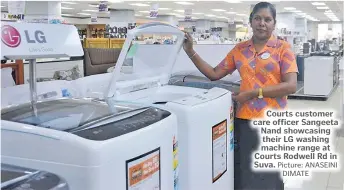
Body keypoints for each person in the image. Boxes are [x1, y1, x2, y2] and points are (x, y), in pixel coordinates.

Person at [183, 2, 298, 190]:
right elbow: (214, 73)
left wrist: (254, 93)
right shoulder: (240, 50)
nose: (262, 23)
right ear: (250, 22)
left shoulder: (282, 48)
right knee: (247, 173)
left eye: (267, 19)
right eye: (258, 18)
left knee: (270, 174)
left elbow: (291, 85)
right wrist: (190, 52)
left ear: (274, 24)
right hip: (245, 120)